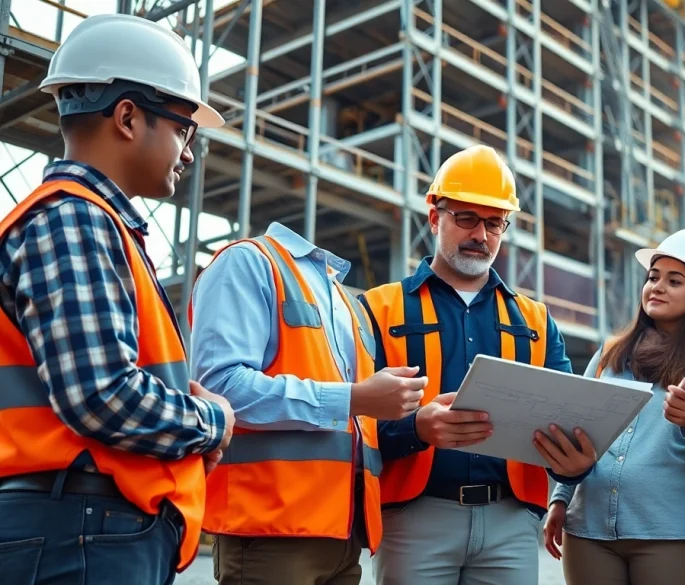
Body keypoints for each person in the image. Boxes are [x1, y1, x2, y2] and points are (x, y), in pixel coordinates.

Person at [0, 13, 235, 585]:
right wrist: (211, 419)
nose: (187, 151)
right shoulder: (74, 220)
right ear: (127, 117)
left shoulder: (91, 222)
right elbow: (101, 394)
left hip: (77, 523)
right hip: (79, 528)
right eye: (183, 128)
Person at [359, 144, 597, 585]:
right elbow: (353, 420)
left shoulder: (536, 320)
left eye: (494, 223)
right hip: (414, 518)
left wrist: (574, 461)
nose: (481, 235)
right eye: (466, 218)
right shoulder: (378, 309)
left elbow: (569, 416)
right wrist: (416, 430)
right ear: (435, 217)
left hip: (510, 523)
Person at [188, 221, 429, 585]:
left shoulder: (348, 302)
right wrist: (355, 398)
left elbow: (355, 424)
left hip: (343, 532)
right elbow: (222, 389)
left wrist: (419, 419)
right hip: (270, 529)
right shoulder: (248, 262)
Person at [543, 228, 685, 585]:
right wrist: (560, 499)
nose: (656, 287)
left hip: (670, 535)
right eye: (653, 277)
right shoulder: (609, 355)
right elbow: (577, 431)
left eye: (674, 281)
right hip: (588, 529)